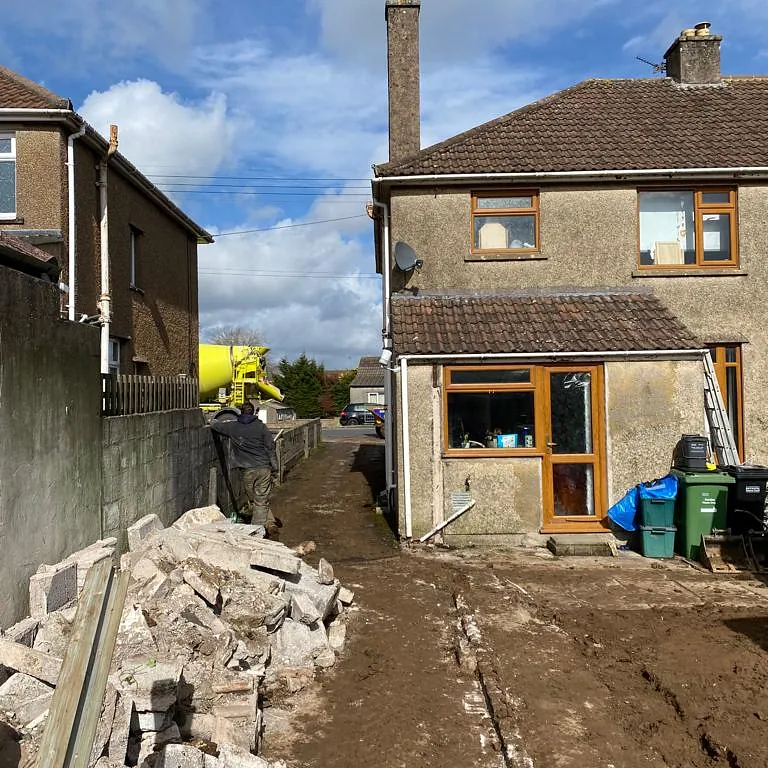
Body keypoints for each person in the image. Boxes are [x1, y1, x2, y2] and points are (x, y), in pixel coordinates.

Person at [209, 402, 282, 536]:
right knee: (260, 499)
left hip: (247, 470)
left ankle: (260, 526)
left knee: (254, 498)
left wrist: (212, 419)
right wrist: (275, 467)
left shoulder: (233, 427)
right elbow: (270, 448)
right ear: (253, 413)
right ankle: (260, 528)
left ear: (240, 412)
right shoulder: (261, 427)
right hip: (264, 468)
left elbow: (216, 425)